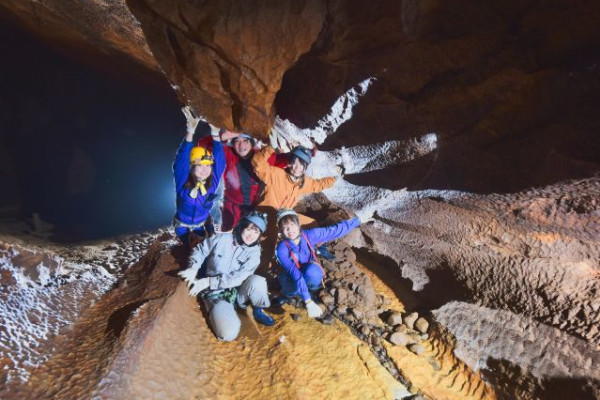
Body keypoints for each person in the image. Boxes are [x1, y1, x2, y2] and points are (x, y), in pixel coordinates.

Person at [178, 211, 275, 341]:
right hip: (216, 292)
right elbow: (201, 250)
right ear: (242, 226)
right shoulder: (222, 238)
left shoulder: (254, 253)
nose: (251, 235)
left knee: (258, 282)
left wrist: (208, 282)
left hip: (238, 290)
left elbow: (239, 278)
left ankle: (258, 309)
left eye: (256, 232)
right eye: (249, 229)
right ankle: (223, 311)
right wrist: (193, 268)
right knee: (227, 333)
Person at [251, 144, 340, 267]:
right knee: (268, 247)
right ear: (290, 162)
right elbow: (258, 165)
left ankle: (316, 250)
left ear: (305, 167)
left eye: (301, 164)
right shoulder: (275, 174)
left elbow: (317, 185)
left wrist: (335, 179)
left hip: (285, 217)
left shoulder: (303, 182)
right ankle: (261, 273)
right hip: (266, 217)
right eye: (294, 162)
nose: (296, 167)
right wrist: (269, 149)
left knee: (312, 224)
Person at [274, 209, 361, 318]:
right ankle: (291, 295)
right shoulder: (282, 249)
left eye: (292, 224)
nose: (290, 229)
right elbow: (295, 274)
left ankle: (312, 290)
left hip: (307, 271)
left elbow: (333, 231)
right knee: (290, 287)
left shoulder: (310, 235)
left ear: (298, 224)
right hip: (291, 277)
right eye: (285, 227)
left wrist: (357, 220)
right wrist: (308, 302)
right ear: (281, 230)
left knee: (313, 271)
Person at [198, 131, 288, 232]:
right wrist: (228, 135)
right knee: (223, 232)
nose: (241, 145)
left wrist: (302, 155)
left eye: (245, 140)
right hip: (232, 207)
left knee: (256, 234)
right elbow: (203, 144)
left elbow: (281, 161)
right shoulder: (228, 154)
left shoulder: (260, 158)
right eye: (237, 141)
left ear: (251, 143)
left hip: (256, 208)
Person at [172, 107, 226, 247]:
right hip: (182, 226)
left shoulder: (211, 184)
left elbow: (220, 163)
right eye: (200, 165)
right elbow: (181, 160)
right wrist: (190, 131)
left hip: (201, 225)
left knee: (206, 251)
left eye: (208, 166)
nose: (205, 170)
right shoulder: (183, 182)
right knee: (191, 249)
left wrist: (215, 134)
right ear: (192, 167)